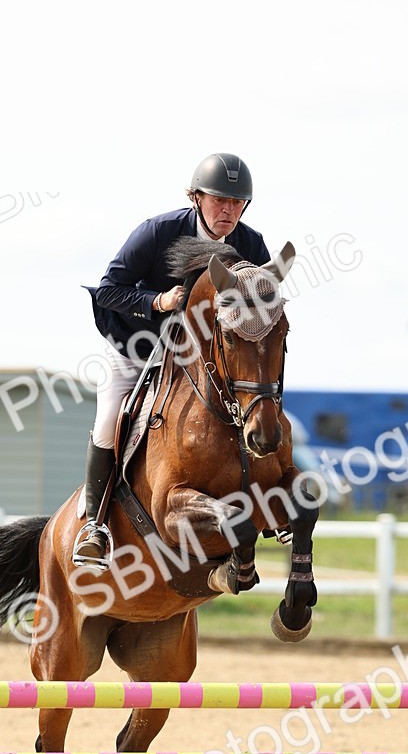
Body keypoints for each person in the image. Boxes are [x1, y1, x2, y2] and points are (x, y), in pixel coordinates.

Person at [75, 152, 271, 571]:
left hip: (199, 359)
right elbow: (108, 288)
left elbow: (261, 312)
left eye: (236, 203)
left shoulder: (251, 246)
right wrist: (156, 301)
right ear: (197, 198)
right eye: (219, 200)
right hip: (138, 345)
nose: (228, 210)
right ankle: (95, 526)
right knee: (110, 419)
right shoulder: (158, 232)